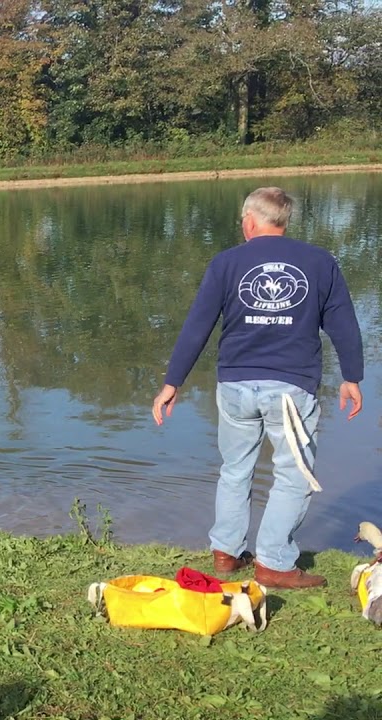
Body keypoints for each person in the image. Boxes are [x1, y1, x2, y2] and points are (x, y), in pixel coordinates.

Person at [152, 186, 363, 589]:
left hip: (235, 384)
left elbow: (198, 324)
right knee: (292, 476)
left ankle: (226, 552)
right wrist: (351, 377)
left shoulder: (226, 262)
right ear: (283, 221)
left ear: (250, 220)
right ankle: (274, 562)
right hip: (291, 386)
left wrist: (171, 383)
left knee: (235, 469)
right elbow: (343, 324)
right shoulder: (319, 262)